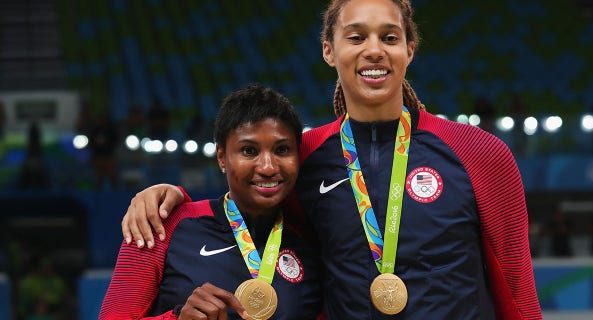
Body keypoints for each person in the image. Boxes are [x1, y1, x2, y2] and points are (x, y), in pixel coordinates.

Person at [121, 0, 542, 318]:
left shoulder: (480, 153)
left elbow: (518, 286)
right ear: (329, 50)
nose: (374, 50)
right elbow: (247, 198)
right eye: (356, 37)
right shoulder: (304, 156)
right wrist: (167, 196)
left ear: (409, 50)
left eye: (389, 37)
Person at [100, 84, 323, 319]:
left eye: (282, 150)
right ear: (221, 157)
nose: (268, 167)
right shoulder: (159, 225)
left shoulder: (311, 239)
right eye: (249, 150)